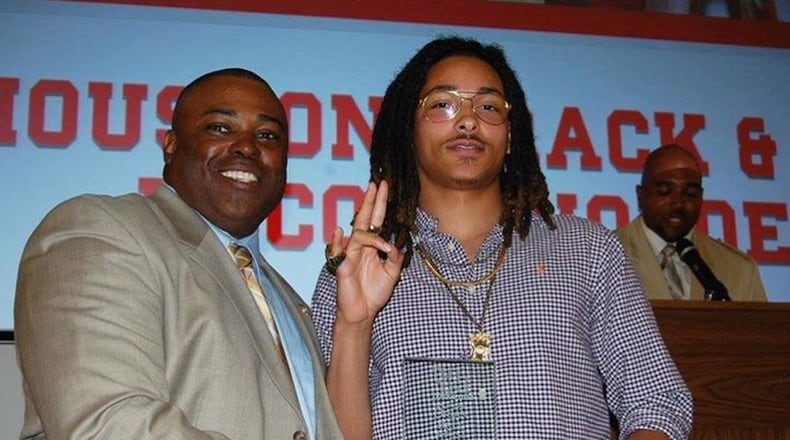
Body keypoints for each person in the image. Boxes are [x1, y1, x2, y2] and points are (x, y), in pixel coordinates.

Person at [312, 37, 692, 440]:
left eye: (489, 106)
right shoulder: (356, 270)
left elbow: (656, 401)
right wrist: (354, 324)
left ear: (511, 135)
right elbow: (333, 434)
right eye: (442, 104)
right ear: (408, 129)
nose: (468, 120)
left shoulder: (587, 250)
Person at [14, 68, 342, 440]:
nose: (247, 147)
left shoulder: (290, 302)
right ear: (170, 145)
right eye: (220, 128)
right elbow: (107, 424)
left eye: (267, 135)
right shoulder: (100, 230)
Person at [617, 143, 768, 301]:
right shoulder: (604, 256)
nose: (678, 204)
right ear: (641, 195)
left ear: (701, 198)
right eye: (664, 191)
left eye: (690, 193)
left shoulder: (740, 270)